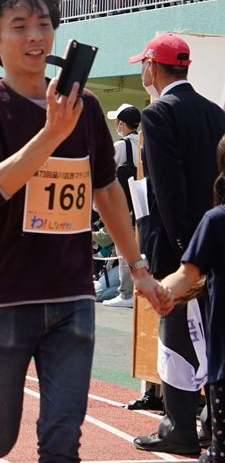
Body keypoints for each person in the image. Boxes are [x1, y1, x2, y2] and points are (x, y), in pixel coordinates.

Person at [0, 0, 164, 463]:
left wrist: (137, 269)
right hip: (2, 300)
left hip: (72, 298)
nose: (36, 36)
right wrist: (47, 134)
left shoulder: (83, 106)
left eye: (45, 24)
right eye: (20, 26)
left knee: (62, 438)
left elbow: (106, 188)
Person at [129, 34, 225, 458]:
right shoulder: (216, 112)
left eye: (143, 66)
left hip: (178, 245)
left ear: (153, 67)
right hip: (214, 239)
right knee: (213, 332)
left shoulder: (158, 114)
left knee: (175, 336)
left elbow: (168, 190)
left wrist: (186, 253)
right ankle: (209, 422)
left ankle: (179, 426)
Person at [155, 135, 225, 463]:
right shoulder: (215, 221)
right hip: (224, 358)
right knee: (223, 452)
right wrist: (160, 291)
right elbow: (188, 274)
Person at [101, 104, 142, 309]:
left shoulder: (120, 146)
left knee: (123, 249)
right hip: (142, 207)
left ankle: (126, 294)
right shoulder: (143, 144)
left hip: (124, 208)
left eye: (116, 121)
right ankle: (138, 292)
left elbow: (105, 175)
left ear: (121, 124)